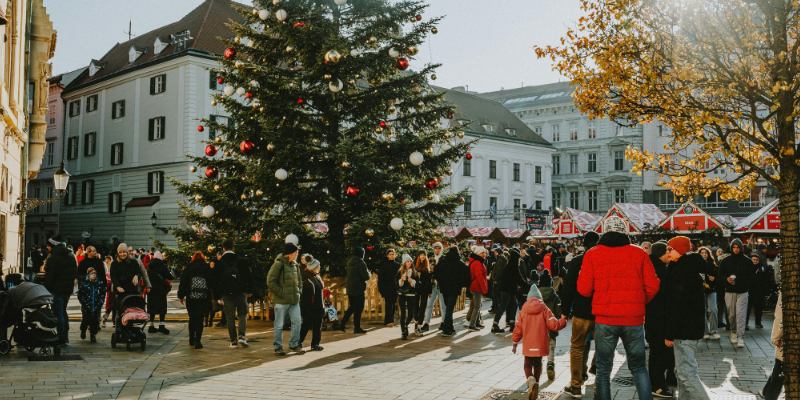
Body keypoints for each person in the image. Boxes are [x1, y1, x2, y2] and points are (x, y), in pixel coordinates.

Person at [577, 216, 660, 400]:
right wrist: (638, 300)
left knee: (604, 369)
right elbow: (653, 285)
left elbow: (583, 289)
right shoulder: (639, 253)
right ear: (625, 232)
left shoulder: (592, 254)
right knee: (638, 367)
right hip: (633, 319)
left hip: (605, 319)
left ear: (604, 231)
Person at [664, 236, 711, 400]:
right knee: (681, 372)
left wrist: (669, 332)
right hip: (688, 328)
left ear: (681, 250)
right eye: (667, 249)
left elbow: (677, 305)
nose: (667, 252)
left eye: (671, 249)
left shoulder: (682, 271)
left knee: (686, 374)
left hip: (685, 329)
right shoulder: (685, 267)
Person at [560, 232, 600, 398]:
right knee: (603, 349)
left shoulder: (577, 261)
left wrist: (564, 311)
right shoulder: (604, 260)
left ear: (584, 244)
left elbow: (568, 288)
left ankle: (576, 385)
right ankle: (600, 386)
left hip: (582, 311)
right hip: (601, 312)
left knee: (577, 347)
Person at [512, 295, 568, 400]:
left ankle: (531, 380)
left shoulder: (523, 311)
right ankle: (535, 386)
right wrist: (564, 320)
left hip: (528, 344)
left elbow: (518, 328)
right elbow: (554, 325)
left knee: (527, 364)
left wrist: (515, 341)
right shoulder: (545, 309)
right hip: (540, 344)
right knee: (538, 364)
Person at [213, 239, 253, 349]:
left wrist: (217, 296)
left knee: (230, 317)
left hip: (226, 294)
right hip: (241, 292)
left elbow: (215, 281)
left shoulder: (219, 263)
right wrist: (249, 290)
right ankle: (242, 336)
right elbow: (248, 276)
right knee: (242, 314)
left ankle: (233, 341)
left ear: (223, 249)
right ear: (233, 248)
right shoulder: (241, 260)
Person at [267, 242, 303, 355]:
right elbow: (270, 282)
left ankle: (293, 344)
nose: (297, 254)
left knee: (297, 322)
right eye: (296, 252)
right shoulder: (278, 264)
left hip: (294, 300)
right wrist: (282, 293)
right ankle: (277, 346)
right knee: (279, 324)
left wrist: (298, 292)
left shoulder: (295, 265)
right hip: (281, 301)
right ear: (290, 253)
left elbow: (300, 281)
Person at [43, 237, 78, 346]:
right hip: (67, 289)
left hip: (56, 289)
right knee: (63, 311)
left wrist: (45, 288)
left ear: (53, 246)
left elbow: (50, 276)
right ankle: (65, 336)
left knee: (58, 313)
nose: (47, 247)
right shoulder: (71, 256)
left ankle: (61, 338)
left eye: (48, 245)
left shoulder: (53, 258)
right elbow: (73, 273)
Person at [718, 238, 751, 348]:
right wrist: (726, 279)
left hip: (743, 291)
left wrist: (744, 282)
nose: (736, 249)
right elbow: (720, 275)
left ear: (741, 248)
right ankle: (733, 331)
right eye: (734, 247)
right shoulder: (726, 261)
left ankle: (740, 337)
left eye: (738, 247)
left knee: (741, 315)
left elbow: (752, 277)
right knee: (731, 315)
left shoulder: (747, 261)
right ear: (731, 248)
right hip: (730, 291)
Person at [178, 251, 212, 349]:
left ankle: (191, 339)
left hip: (191, 296)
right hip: (203, 297)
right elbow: (211, 282)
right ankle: (198, 341)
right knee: (200, 318)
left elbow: (183, 282)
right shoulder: (207, 267)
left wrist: (181, 296)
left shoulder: (189, 267)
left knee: (192, 318)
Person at [110, 244, 142, 335]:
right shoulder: (115, 263)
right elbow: (113, 277)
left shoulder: (133, 262)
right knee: (119, 311)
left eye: (124, 252)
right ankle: (118, 331)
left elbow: (138, 272)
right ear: (118, 253)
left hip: (131, 290)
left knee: (130, 310)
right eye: (120, 252)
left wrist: (136, 276)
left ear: (127, 253)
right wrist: (117, 286)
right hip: (120, 290)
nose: (122, 254)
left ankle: (129, 329)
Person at [493, 247, 526, 333]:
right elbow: (520, 280)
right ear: (516, 259)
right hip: (507, 291)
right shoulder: (513, 268)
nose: (519, 261)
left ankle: (512, 324)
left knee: (513, 305)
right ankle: (495, 325)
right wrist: (529, 286)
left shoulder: (509, 266)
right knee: (503, 307)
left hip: (508, 291)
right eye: (518, 259)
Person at [436, 246, 467, 337]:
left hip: (444, 288)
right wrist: (461, 284)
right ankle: (446, 329)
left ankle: (450, 327)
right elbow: (465, 276)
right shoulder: (460, 263)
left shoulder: (442, 262)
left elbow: (436, 272)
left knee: (448, 308)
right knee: (450, 308)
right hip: (454, 289)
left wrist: (441, 282)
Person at [339, 247, 371, 334]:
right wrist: (369, 273)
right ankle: (357, 328)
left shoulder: (349, 262)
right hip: (359, 289)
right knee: (359, 309)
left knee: (352, 307)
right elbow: (365, 276)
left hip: (350, 288)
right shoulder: (361, 263)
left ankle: (342, 323)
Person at [538, 270, 562, 381]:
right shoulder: (554, 295)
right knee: (551, 346)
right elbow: (558, 312)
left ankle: (537, 368)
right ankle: (550, 363)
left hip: (538, 327)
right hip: (551, 326)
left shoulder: (536, 296)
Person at [760, 292, 784, 400]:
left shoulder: (788, 289)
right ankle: (767, 392)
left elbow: (780, 317)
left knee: (780, 367)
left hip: (791, 340)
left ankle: (769, 394)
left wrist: (776, 338)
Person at [299, 255, 325, 351]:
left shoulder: (316, 276)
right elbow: (306, 293)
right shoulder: (305, 276)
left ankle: (315, 343)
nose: (319, 267)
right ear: (313, 267)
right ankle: (299, 341)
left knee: (318, 324)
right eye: (318, 266)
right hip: (309, 306)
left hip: (318, 305)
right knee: (306, 324)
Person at [145, 251, 173, 334]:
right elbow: (170, 277)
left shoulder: (149, 266)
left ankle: (151, 326)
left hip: (151, 290)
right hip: (161, 290)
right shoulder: (162, 266)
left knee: (152, 307)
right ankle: (161, 326)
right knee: (162, 308)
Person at [696, 246, 720, 340]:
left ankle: (714, 331)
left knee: (713, 310)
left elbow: (718, 278)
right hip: (700, 290)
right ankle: (705, 331)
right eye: (702, 253)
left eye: (706, 253)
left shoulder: (713, 265)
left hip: (711, 290)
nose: (704, 254)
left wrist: (714, 279)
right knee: (703, 311)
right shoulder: (696, 266)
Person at [78, 268, 105, 343]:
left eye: (95, 274)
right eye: (92, 274)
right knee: (86, 320)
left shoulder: (99, 284)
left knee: (95, 321)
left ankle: (93, 335)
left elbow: (102, 294)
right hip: (87, 307)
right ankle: (83, 330)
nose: (94, 275)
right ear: (88, 275)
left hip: (96, 306)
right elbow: (80, 295)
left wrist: (100, 302)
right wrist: (84, 303)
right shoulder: (85, 285)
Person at [422, 242, 445, 332]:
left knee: (443, 305)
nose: (437, 250)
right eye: (435, 248)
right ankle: (426, 323)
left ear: (441, 249)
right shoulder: (431, 258)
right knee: (429, 304)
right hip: (432, 285)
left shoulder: (444, 259)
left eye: (439, 248)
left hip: (441, 285)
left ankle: (443, 322)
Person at [747, 253, 772, 329]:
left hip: (759, 291)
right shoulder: (748, 268)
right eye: (754, 260)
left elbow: (765, 280)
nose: (755, 261)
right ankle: (745, 323)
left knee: (758, 308)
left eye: (756, 260)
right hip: (750, 291)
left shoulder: (761, 268)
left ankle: (758, 322)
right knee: (747, 308)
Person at [375, 249, 400, 327]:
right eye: (390, 254)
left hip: (395, 287)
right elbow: (381, 278)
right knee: (389, 304)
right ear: (387, 255)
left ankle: (392, 320)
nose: (392, 256)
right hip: (387, 288)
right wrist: (381, 289)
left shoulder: (397, 265)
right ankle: (387, 320)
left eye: (393, 254)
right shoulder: (383, 265)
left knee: (394, 304)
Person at [466, 246, 489, 331]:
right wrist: (485, 289)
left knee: (478, 306)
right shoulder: (478, 263)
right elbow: (480, 278)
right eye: (482, 253)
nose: (484, 254)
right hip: (476, 288)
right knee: (476, 307)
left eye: (484, 252)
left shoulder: (475, 261)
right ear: (478, 253)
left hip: (474, 286)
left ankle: (477, 322)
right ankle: (472, 325)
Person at [397, 254, 418, 340]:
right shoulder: (400, 272)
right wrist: (401, 280)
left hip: (411, 294)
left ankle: (405, 326)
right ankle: (403, 332)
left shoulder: (414, 272)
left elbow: (418, 283)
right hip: (402, 294)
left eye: (410, 261)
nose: (409, 263)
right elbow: (395, 282)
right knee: (403, 314)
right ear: (404, 263)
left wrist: (412, 281)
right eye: (407, 261)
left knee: (410, 314)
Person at [411, 250, 431, 335]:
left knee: (423, 307)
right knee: (416, 306)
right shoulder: (414, 266)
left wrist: (429, 291)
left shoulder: (427, 266)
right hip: (416, 289)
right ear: (418, 256)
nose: (422, 256)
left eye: (424, 255)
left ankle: (419, 325)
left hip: (425, 290)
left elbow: (429, 280)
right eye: (421, 255)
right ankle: (416, 322)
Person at [489, 247, 508, 317]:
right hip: (499, 280)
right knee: (496, 294)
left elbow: (499, 271)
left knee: (495, 294)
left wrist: (496, 279)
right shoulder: (500, 259)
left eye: (496, 252)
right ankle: (495, 307)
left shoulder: (500, 260)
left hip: (498, 280)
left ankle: (495, 308)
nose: (494, 253)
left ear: (499, 252)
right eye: (494, 252)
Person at [102, 255, 115, 328]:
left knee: (111, 310)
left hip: (113, 297)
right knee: (109, 310)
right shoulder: (109, 279)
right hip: (111, 298)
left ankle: (111, 322)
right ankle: (105, 321)